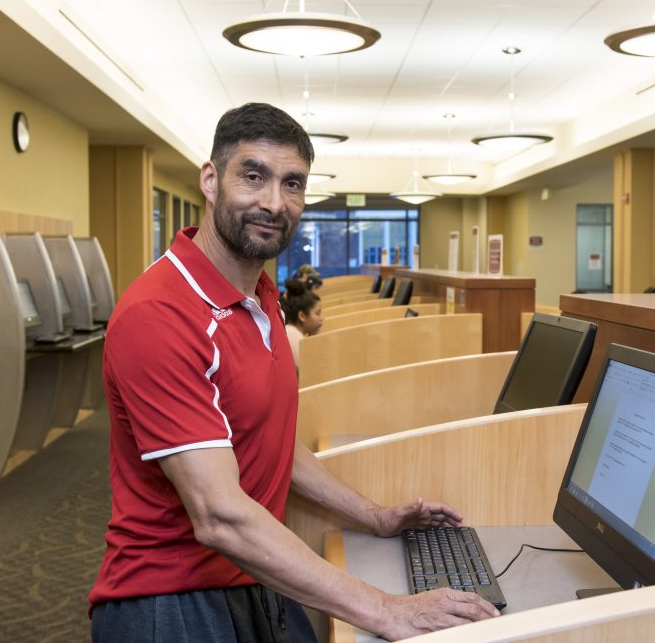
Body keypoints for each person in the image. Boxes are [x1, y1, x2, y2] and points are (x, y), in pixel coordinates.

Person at [89, 102, 499, 642]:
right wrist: (386, 610)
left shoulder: (259, 297)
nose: (273, 202)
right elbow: (219, 514)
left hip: (251, 573)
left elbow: (270, 440)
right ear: (211, 180)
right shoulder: (159, 314)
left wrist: (374, 516)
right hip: (170, 600)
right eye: (253, 176)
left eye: (292, 183)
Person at [281, 278, 322, 368]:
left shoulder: (290, 331)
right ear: (302, 316)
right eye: (317, 313)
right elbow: (310, 372)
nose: (321, 319)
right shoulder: (295, 336)